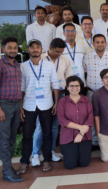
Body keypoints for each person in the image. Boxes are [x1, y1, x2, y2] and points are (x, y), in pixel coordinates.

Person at [19, 39, 60, 173]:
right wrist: (20, 107)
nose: (35, 49)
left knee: (47, 134)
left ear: (42, 49)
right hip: (29, 105)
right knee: (27, 135)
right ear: (28, 50)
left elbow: (55, 85)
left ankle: (47, 160)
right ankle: (24, 162)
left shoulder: (49, 65)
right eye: (32, 47)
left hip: (46, 104)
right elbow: (22, 88)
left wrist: (56, 103)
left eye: (38, 47)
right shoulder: (23, 66)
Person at [31, 38, 73, 166]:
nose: (59, 54)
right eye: (56, 51)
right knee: (40, 126)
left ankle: (51, 151)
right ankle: (36, 154)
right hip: (43, 95)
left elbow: (69, 78)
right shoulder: (40, 58)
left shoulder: (65, 60)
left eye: (61, 52)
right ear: (50, 48)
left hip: (59, 95)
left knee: (55, 126)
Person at [0, 37, 24, 183]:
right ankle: (8, 172)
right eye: (10, 47)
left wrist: (20, 107)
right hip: (3, 106)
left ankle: (7, 168)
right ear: (4, 49)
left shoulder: (17, 65)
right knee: (4, 139)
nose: (13, 50)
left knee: (12, 138)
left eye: (15, 47)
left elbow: (19, 88)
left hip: (15, 105)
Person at [57, 76, 94, 169]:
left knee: (84, 163)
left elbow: (90, 117)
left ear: (80, 87)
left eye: (77, 85)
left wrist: (81, 133)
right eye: (71, 86)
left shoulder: (86, 100)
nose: (74, 88)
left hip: (84, 135)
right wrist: (80, 127)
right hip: (68, 136)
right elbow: (62, 119)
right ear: (67, 87)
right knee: (70, 165)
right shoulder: (63, 101)